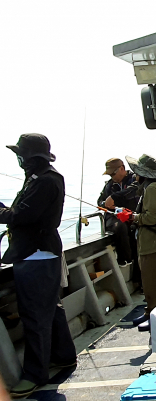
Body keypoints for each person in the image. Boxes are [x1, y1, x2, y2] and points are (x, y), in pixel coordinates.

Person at [0, 134, 77, 398]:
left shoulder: (43, 181)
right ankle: (64, 355)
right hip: (42, 255)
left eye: (20, 155)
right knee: (51, 309)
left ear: (28, 157)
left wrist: (2, 213)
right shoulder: (46, 177)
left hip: (35, 256)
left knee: (35, 317)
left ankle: (35, 375)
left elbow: (23, 216)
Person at [124, 154, 156, 332]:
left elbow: (152, 217)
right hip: (154, 238)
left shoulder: (152, 188)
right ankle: (149, 312)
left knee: (151, 280)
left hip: (152, 239)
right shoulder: (153, 186)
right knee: (150, 277)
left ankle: (155, 315)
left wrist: (132, 217)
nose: (134, 175)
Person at [97, 158, 140, 269]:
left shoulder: (134, 179)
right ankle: (125, 258)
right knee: (119, 227)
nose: (112, 177)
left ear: (122, 168)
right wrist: (107, 204)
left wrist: (114, 197)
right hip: (116, 217)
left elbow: (134, 189)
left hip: (134, 216)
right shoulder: (109, 185)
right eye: (110, 175)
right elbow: (99, 201)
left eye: (113, 174)